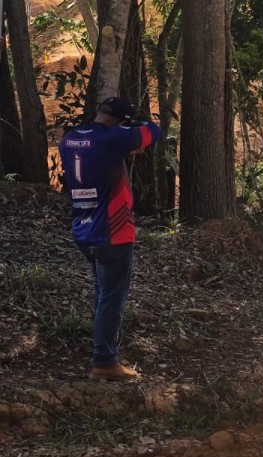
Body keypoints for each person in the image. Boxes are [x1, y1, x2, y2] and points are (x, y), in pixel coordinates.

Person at [60, 97, 163, 381]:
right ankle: (104, 361)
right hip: (112, 232)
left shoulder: (69, 140)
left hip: (84, 229)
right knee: (111, 299)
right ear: (121, 123)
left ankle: (102, 353)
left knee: (103, 293)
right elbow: (153, 131)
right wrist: (134, 128)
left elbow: (104, 154)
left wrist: (124, 141)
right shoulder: (113, 138)